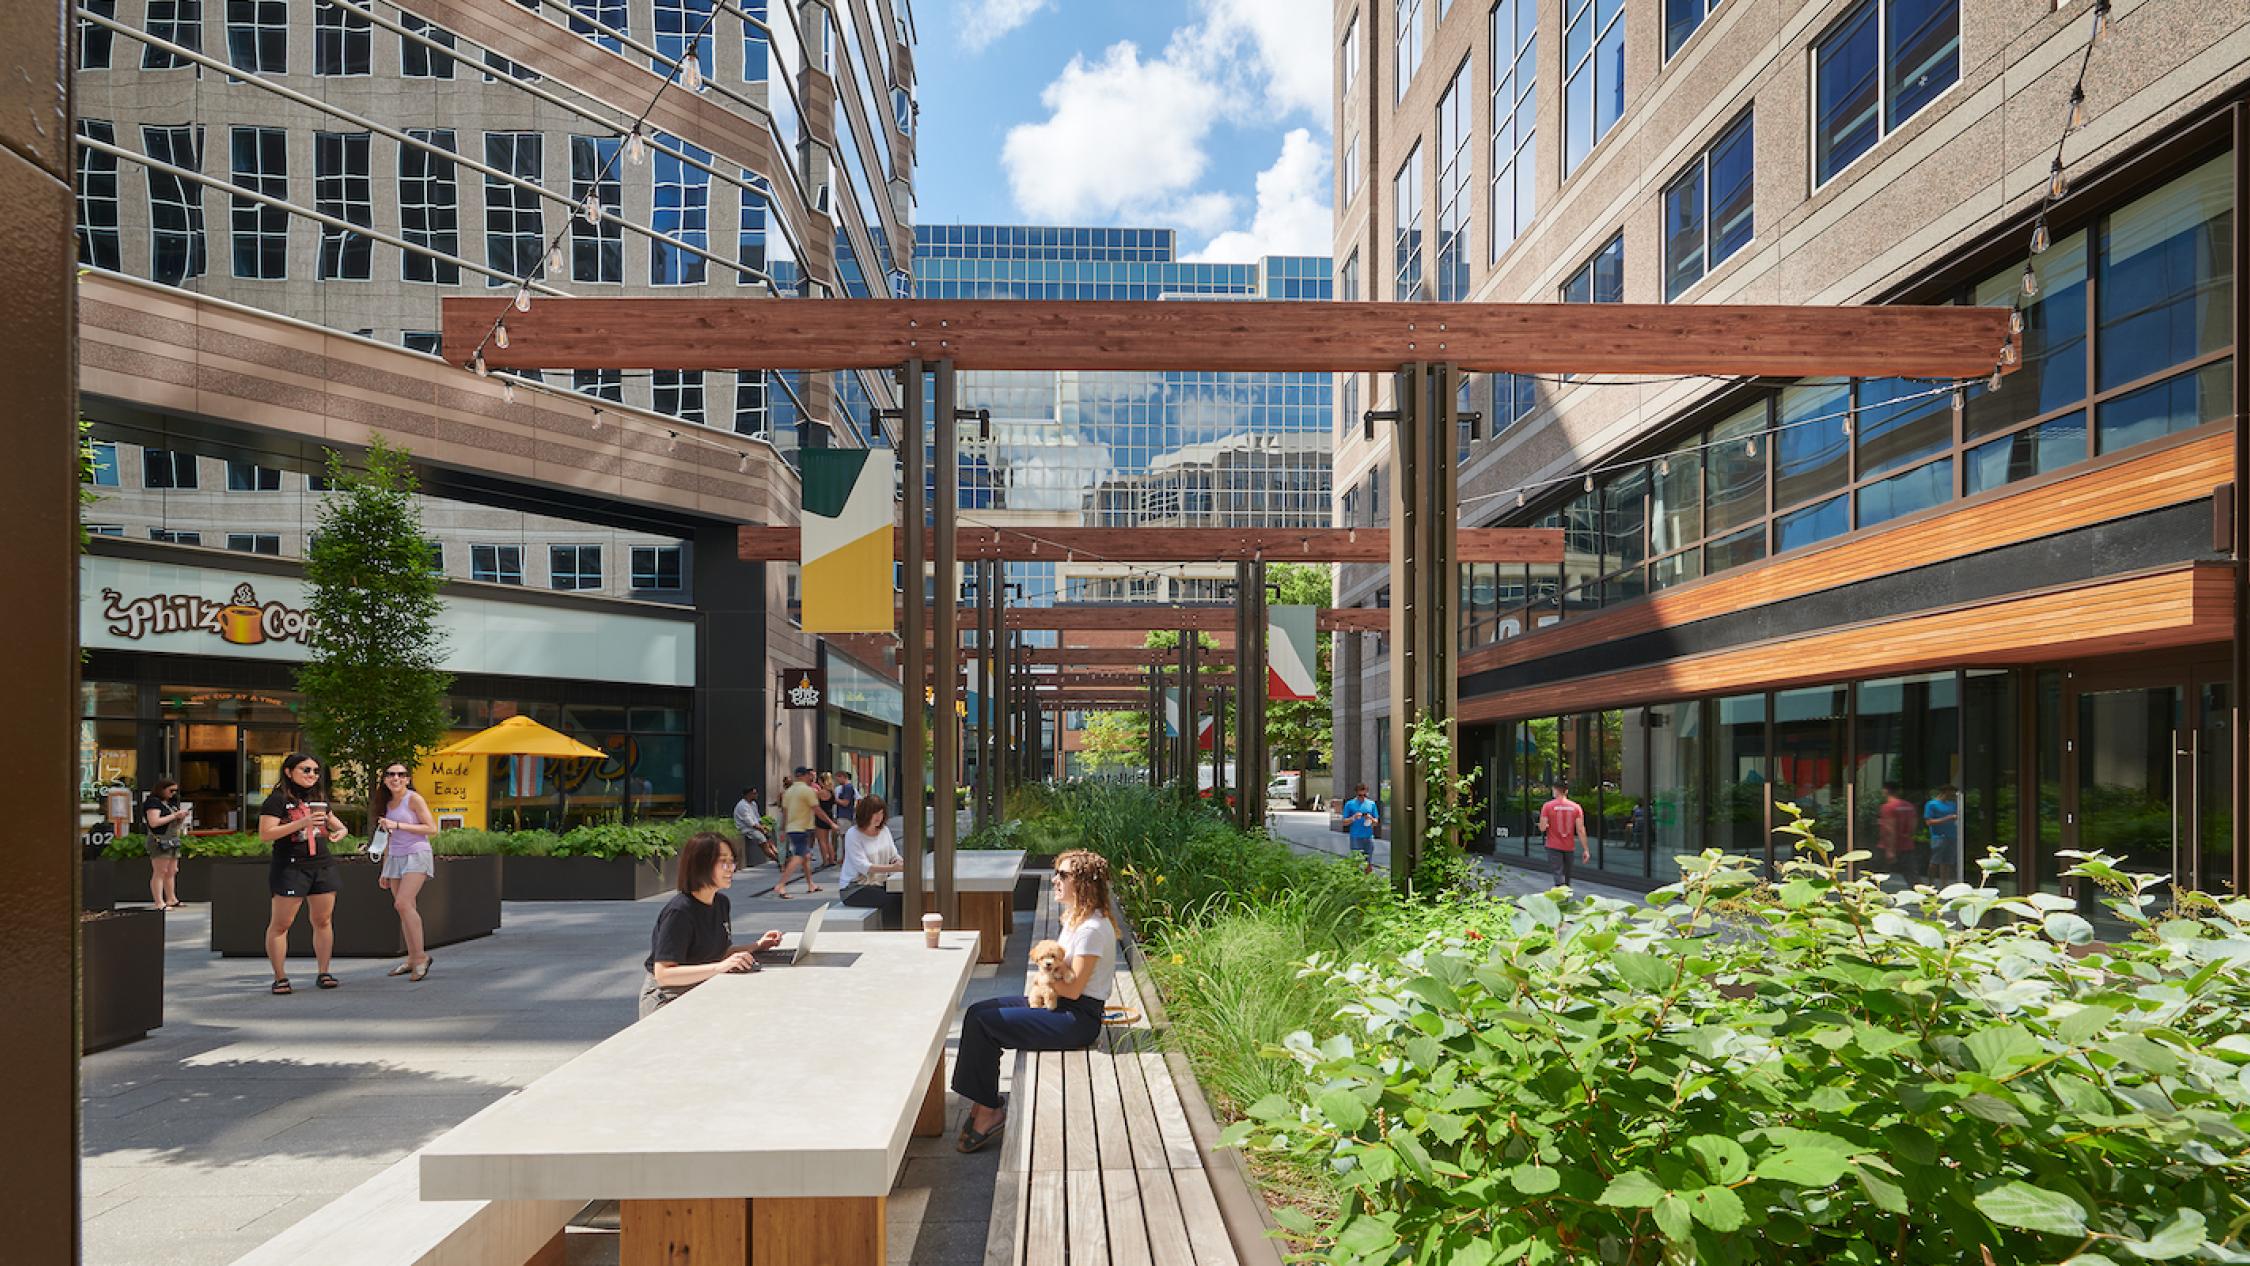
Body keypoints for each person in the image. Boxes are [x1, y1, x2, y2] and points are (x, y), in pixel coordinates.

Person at [953, 849, 1117, 1154]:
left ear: (1082, 883)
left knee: (988, 1024)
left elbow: (1074, 989)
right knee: (977, 1013)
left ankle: (989, 1110)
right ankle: (984, 1100)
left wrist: (1043, 977)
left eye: (1063, 875)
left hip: (1076, 1019)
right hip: (1056, 1004)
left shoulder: (1092, 929)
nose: (1054, 880)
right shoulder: (1076, 920)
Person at [639, 832, 783, 1018]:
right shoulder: (679, 912)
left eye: (732, 861)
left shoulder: (721, 903)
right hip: (667, 997)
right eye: (723, 862)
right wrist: (719, 967)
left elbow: (716, 952)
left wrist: (757, 945)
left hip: (699, 985)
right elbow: (664, 974)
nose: (730, 868)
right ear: (701, 865)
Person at [256, 753, 348, 994]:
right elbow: (266, 834)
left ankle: (324, 971)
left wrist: (341, 831)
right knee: (281, 924)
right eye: (305, 770)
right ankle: (280, 977)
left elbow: (333, 822)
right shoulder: (276, 800)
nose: (312, 775)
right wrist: (302, 822)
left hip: (321, 864)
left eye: (316, 771)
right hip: (290, 866)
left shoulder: (318, 798)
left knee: (323, 920)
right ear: (289, 772)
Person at [371, 762, 439, 982]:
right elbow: (387, 838)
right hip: (395, 857)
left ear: (408, 779)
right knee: (406, 909)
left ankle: (420, 957)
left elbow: (432, 829)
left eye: (401, 774)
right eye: (391, 774)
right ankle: (412, 958)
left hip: (417, 853)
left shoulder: (414, 799)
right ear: (384, 779)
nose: (396, 778)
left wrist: (398, 825)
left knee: (402, 903)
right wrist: (384, 869)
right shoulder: (386, 803)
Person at [839, 795, 905, 929]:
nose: (878, 817)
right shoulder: (853, 834)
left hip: (878, 884)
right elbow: (863, 866)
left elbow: (893, 854)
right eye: (875, 813)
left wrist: (898, 861)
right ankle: (891, 935)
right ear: (865, 814)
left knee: (905, 895)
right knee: (892, 900)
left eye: (881, 813)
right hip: (855, 887)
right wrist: (894, 868)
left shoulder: (884, 831)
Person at [140, 775, 190, 909]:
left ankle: (171, 898)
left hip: (172, 839)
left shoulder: (169, 804)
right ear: (162, 789)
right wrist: (174, 815)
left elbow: (172, 822)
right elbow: (154, 822)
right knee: (160, 871)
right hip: (159, 839)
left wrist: (180, 818)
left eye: (175, 791)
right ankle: (159, 901)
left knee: (172, 870)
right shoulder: (153, 803)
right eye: (171, 790)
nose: (173, 794)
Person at [777, 766, 823, 898]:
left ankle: (811, 884)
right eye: (810, 775)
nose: (811, 777)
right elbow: (817, 809)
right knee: (799, 857)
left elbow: (785, 813)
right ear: (805, 775)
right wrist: (831, 823)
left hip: (793, 828)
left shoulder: (788, 792)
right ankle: (781, 885)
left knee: (806, 856)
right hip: (801, 828)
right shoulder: (807, 791)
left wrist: (783, 829)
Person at [1536, 779, 1589, 890]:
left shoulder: (1547, 806)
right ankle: (1566, 899)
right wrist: (1585, 849)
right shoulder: (1576, 807)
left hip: (1553, 845)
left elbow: (1542, 827)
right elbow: (1580, 829)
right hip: (1569, 846)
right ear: (1566, 791)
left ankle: (1561, 900)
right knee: (1567, 877)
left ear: (1555, 790)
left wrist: (1545, 825)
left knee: (1558, 874)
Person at [1878, 782, 1922, 883]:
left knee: (1876, 874)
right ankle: (1922, 896)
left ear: (1885, 791)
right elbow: (1913, 826)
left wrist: (1890, 850)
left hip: (1887, 846)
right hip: (1907, 846)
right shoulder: (1909, 806)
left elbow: (1890, 829)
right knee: (1912, 876)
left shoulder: (1888, 807)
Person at [1924, 783, 1961, 885]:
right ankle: (1930, 883)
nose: (1953, 796)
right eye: (1951, 793)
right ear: (1945, 792)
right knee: (1935, 861)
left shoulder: (1952, 804)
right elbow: (1929, 822)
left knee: (1947, 862)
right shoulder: (1932, 804)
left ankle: (1944, 883)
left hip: (1952, 836)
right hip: (1938, 837)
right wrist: (1947, 818)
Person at [733, 786, 774, 865]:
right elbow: (750, 823)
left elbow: (757, 818)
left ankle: (779, 857)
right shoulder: (742, 806)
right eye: (754, 793)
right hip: (747, 829)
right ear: (748, 794)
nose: (756, 795)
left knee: (768, 837)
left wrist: (764, 826)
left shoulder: (753, 804)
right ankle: (777, 859)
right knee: (762, 839)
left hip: (756, 827)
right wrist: (762, 829)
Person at [1340, 783, 1379, 865]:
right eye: (1360, 795)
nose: (1362, 797)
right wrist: (1353, 817)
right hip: (1355, 837)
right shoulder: (1350, 804)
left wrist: (1370, 818)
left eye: (1364, 795)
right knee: (1356, 862)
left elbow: (1376, 822)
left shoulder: (1371, 804)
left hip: (1368, 837)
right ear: (1356, 793)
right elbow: (1344, 822)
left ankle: (1367, 877)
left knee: (1368, 863)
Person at [814, 772, 840, 868]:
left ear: (821, 781)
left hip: (821, 817)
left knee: (821, 840)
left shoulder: (820, 793)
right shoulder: (832, 792)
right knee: (827, 840)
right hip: (829, 814)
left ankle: (825, 860)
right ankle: (832, 859)